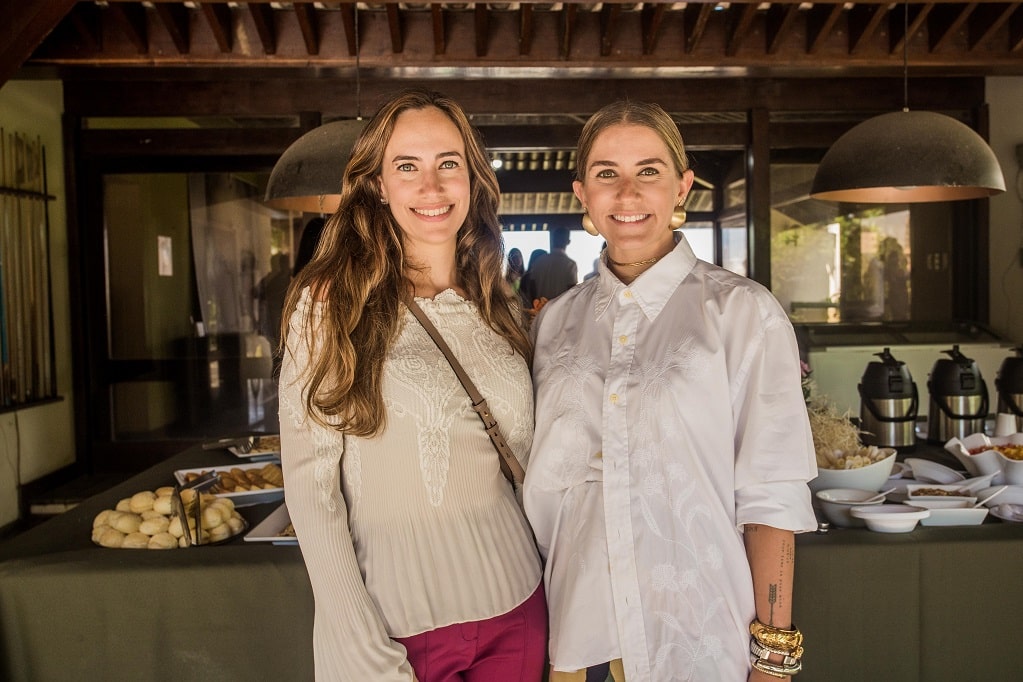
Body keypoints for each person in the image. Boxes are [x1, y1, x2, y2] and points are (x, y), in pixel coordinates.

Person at [523, 100, 818, 682]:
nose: (627, 194)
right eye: (607, 173)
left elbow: (771, 497)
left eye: (649, 172)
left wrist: (774, 664)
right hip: (573, 639)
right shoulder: (554, 324)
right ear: (582, 192)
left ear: (682, 187)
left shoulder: (741, 314)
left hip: (696, 640)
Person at [278, 88, 546, 682]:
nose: (432, 186)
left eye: (448, 163)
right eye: (408, 166)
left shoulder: (498, 304)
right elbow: (310, 485)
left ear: (473, 179)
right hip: (397, 629)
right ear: (377, 184)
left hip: (520, 609)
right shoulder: (330, 304)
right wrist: (354, 637)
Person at [522, 227, 578, 301]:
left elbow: (532, 288)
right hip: (562, 310)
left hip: (541, 308)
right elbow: (572, 292)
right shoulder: (570, 265)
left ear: (553, 240)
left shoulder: (538, 261)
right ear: (568, 241)